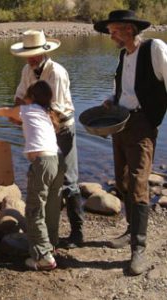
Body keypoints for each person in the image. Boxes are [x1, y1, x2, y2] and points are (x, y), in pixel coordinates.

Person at [94, 10, 167, 275]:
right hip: (120, 123)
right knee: (123, 180)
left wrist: (153, 119)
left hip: (143, 126)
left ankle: (139, 248)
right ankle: (130, 229)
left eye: (113, 30)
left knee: (138, 183)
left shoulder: (154, 48)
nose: (110, 35)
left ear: (128, 29)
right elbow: (124, 91)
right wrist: (110, 101)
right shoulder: (123, 55)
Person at [11, 29, 84, 249]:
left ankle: (77, 233)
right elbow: (20, 96)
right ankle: (49, 233)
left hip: (62, 129)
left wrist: (26, 114)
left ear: (44, 52)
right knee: (48, 182)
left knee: (69, 180)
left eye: (34, 54)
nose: (31, 59)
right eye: (28, 54)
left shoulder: (57, 72)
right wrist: (16, 110)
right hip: (44, 130)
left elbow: (56, 110)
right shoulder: (27, 70)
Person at [0, 80, 64, 270]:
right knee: (51, 207)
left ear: (31, 98)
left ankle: (44, 258)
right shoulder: (46, 113)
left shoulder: (28, 109)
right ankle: (50, 245)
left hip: (43, 163)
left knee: (34, 210)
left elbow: (6, 110)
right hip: (57, 161)